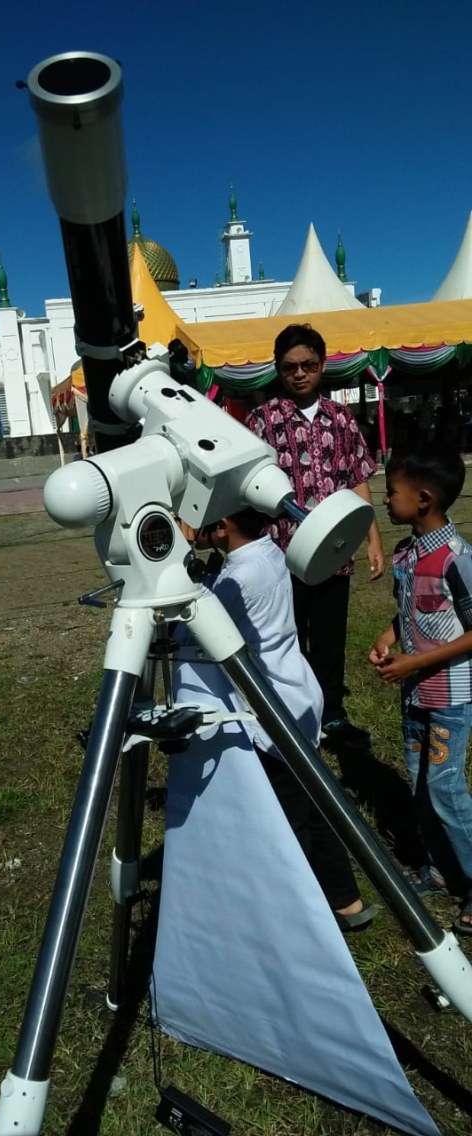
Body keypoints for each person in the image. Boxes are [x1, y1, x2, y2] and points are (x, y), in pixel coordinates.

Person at [181, 507, 377, 931]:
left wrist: (180, 558)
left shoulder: (240, 578)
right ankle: (347, 901)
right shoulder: (268, 553)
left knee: (289, 822)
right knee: (316, 803)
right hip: (297, 693)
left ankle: (301, 920)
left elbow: (193, 631)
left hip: (271, 710)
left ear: (222, 527)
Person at [245, 323, 385, 749]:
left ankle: (332, 715)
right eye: (290, 367)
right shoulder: (261, 422)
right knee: (284, 637)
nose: (300, 373)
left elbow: (356, 478)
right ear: (278, 369)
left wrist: (373, 538)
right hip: (282, 553)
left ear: (322, 365)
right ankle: (291, 715)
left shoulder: (340, 419)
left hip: (334, 551)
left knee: (329, 637)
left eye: (308, 364)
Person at [368, 444, 472, 935]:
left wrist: (415, 661)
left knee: (445, 787)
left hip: (450, 697)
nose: (385, 499)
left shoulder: (456, 559)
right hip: (416, 695)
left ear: (424, 498)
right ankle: (438, 867)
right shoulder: (408, 554)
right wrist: (389, 637)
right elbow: (409, 610)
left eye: (392, 492)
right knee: (420, 785)